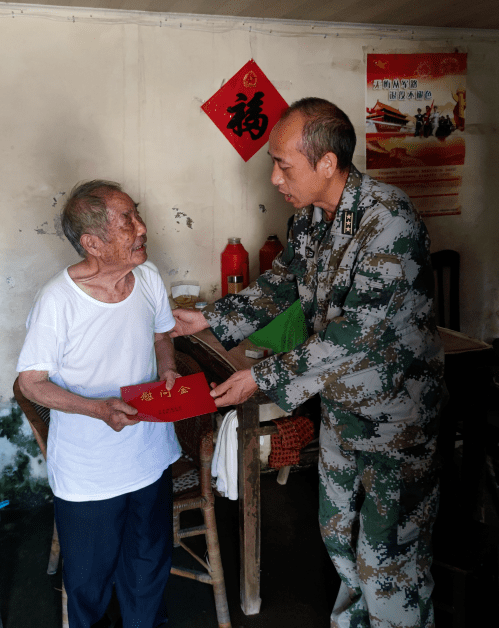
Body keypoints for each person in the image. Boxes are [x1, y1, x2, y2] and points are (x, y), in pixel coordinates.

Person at [172, 98, 444, 628]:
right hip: (344, 408)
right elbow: (280, 287)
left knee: (388, 556)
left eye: (284, 164)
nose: (274, 178)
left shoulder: (388, 219)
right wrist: (209, 320)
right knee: (339, 536)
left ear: (327, 163)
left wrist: (263, 378)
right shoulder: (308, 223)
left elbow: (358, 332)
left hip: (398, 420)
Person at [17, 180, 181, 628]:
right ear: (93, 243)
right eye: (127, 220)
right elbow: (31, 383)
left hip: (149, 454)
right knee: (90, 582)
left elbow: (161, 334)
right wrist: (98, 409)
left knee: (148, 569)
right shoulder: (58, 301)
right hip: (90, 472)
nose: (142, 227)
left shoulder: (147, 278)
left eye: (136, 214)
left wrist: (166, 369)